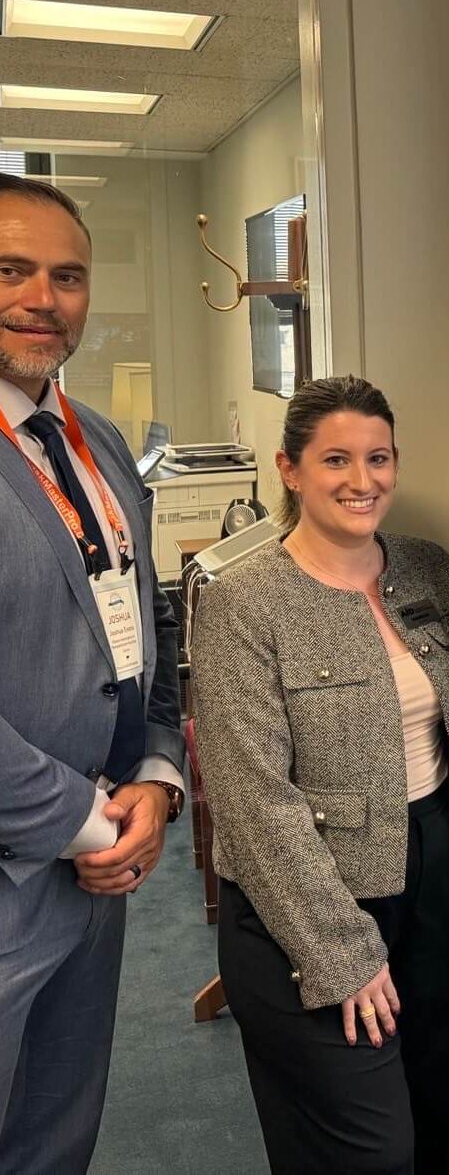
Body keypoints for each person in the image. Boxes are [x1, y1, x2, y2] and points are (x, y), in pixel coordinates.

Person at [191, 375, 449, 1174]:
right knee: (367, 1151)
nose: (363, 481)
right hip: (307, 900)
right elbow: (255, 805)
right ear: (290, 470)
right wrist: (341, 953)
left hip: (431, 878)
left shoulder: (428, 570)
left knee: (431, 1122)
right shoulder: (242, 603)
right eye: (336, 461)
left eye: (378, 458)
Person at [0, 175, 185, 1172]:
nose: (42, 297)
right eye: (10, 269)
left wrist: (155, 776)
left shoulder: (101, 443)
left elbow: (144, 622)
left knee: (58, 1132)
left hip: (105, 864)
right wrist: (84, 821)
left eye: (66, 275)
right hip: (23, 856)